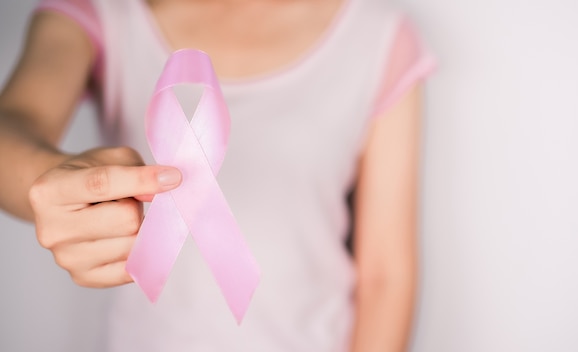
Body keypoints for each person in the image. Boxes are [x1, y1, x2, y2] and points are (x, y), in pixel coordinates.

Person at [0, 0, 435, 350]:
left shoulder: (376, 37)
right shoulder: (103, 13)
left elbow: (385, 274)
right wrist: (55, 184)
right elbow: (14, 126)